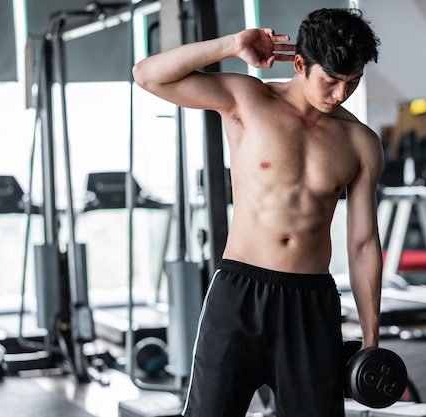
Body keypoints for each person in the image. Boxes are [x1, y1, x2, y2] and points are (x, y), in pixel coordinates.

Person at [133, 7, 382, 417]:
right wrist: (233, 45)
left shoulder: (360, 142)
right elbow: (147, 75)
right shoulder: (248, 100)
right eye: (331, 80)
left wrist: (371, 337)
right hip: (240, 294)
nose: (340, 94)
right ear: (300, 63)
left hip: (310, 304)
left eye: (352, 83)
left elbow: (363, 245)